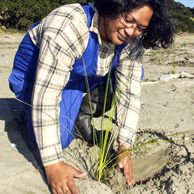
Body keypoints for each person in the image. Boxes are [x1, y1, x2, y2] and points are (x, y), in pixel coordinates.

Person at [8, 0, 174, 193]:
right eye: (128, 19)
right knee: (59, 140)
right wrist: (53, 164)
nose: (130, 31)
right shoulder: (69, 23)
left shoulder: (131, 42)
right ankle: (27, 110)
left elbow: (130, 93)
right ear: (113, 5)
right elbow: (47, 95)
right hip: (36, 75)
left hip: (79, 77)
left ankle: (79, 114)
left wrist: (125, 146)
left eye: (140, 28)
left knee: (118, 79)